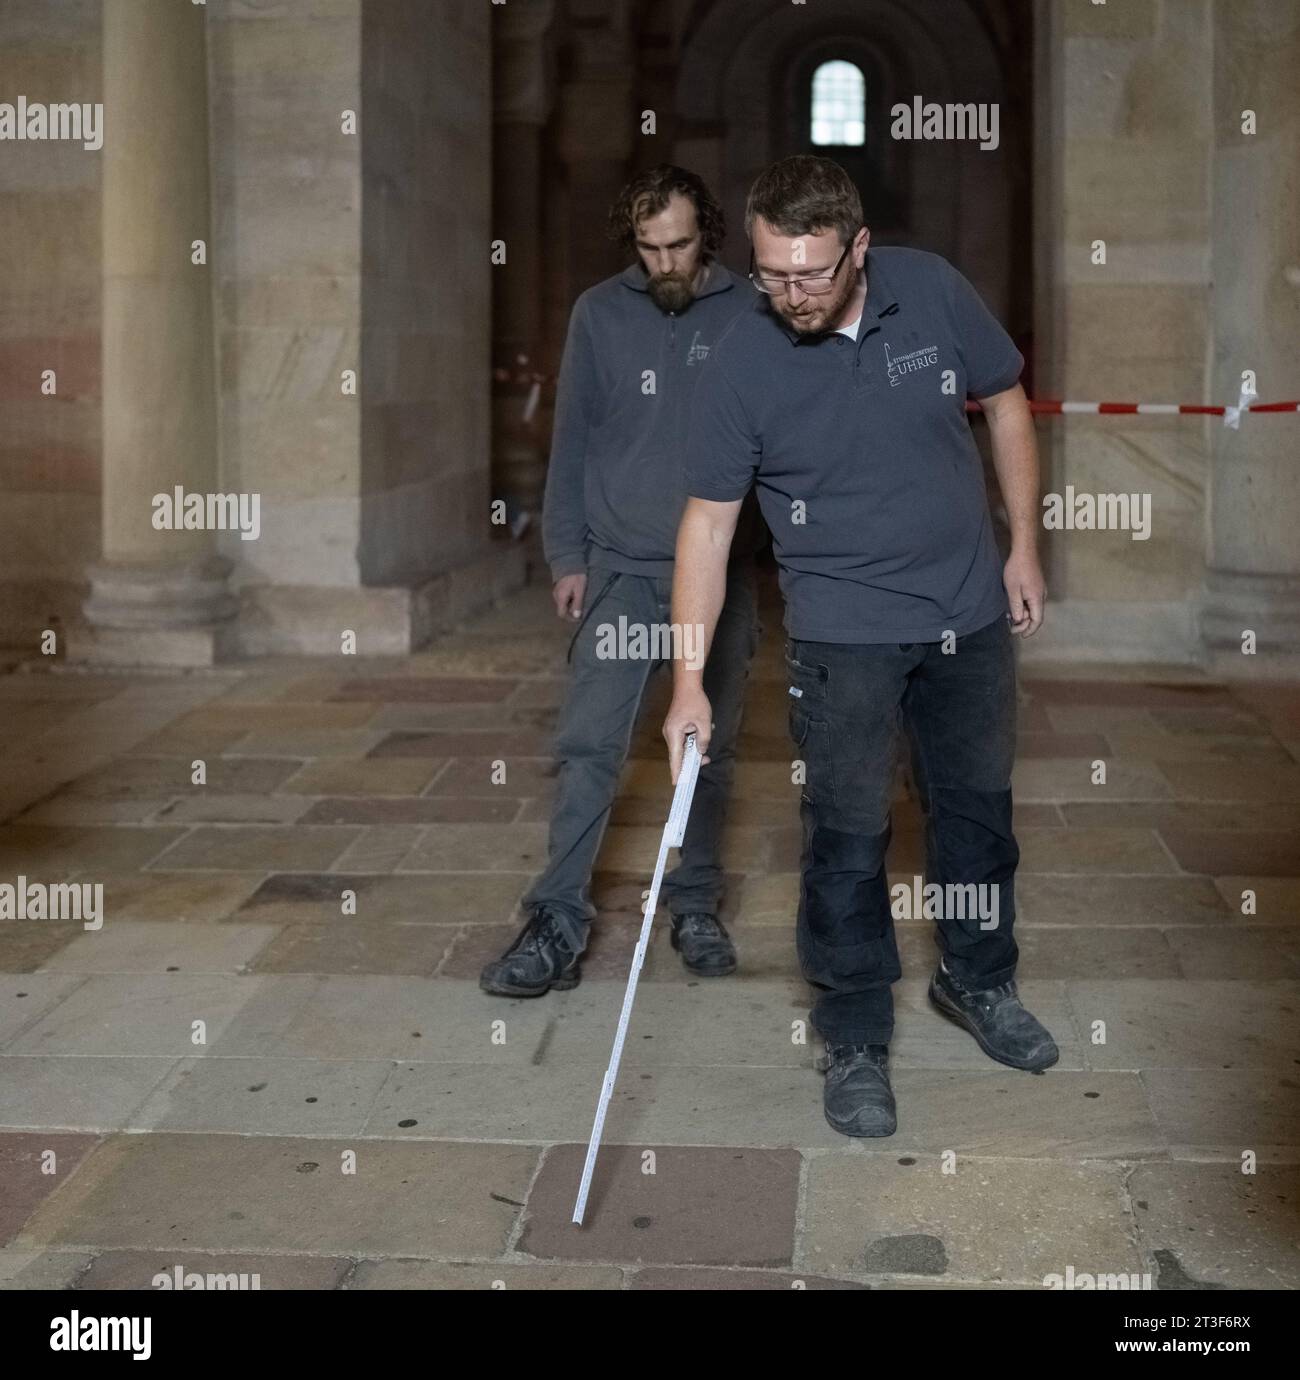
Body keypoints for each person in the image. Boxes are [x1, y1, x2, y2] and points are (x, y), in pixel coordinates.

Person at [663, 154, 1058, 1138]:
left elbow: (1005, 402)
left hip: (965, 614)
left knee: (973, 816)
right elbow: (708, 526)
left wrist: (1023, 546)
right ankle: (851, 1034)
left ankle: (978, 979)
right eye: (770, 274)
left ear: (860, 249)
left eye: (810, 273)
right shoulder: (741, 359)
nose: (789, 295)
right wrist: (685, 681)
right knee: (846, 839)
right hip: (843, 633)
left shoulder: (930, 291)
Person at [481, 165, 764, 998]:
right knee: (589, 747)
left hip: (718, 577)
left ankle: (696, 902)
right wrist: (567, 556)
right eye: (649, 249)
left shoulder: (751, 310)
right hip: (622, 569)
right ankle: (557, 922)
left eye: (678, 245)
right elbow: (571, 440)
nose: (665, 263)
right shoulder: (600, 314)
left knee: (706, 748)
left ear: (705, 234)